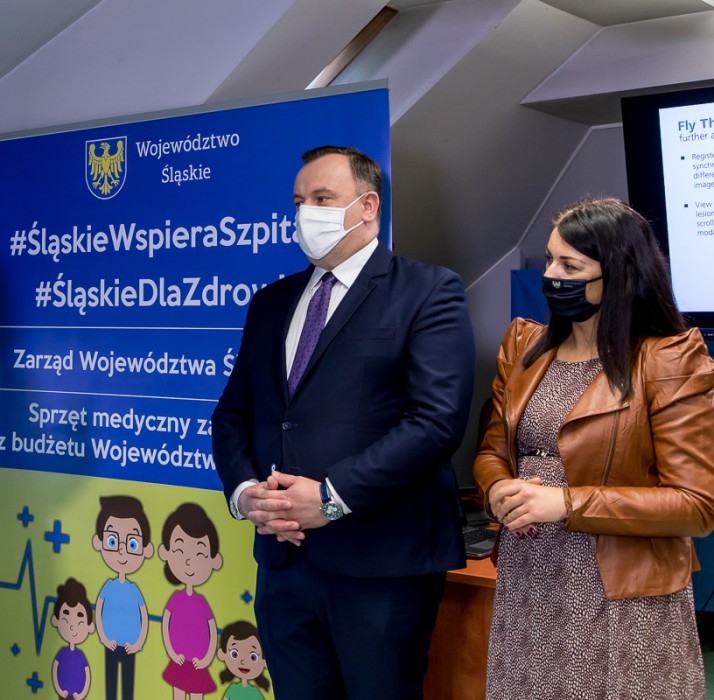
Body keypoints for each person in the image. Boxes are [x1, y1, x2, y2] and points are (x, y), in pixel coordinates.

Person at [211, 145, 475, 698]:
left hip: (382, 563)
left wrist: (331, 497)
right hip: (285, 562)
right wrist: (244, 493)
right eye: (299, 201)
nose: (306, 212)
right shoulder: (271, 302)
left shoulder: (428, 290)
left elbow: (436, 422)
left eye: (323, 198)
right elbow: (234, 412)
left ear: (368, 206)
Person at [474, 197, 714, 699]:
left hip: (623, 594)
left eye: (571, 266)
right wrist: (496, 489)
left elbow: (696, 506)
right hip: (531, 577)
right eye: (549, 260)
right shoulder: (523, 346)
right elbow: (492, 451)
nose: (551, 275)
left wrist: (567, 503)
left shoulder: (668, 359)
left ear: (619, 275)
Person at [158, 502, 222, 700]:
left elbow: (212, 630)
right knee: (178, 693)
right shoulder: (175, 599)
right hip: (179, 660)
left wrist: (206, 659)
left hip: (197, 662)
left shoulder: (202, 603)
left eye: (199, 553)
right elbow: (165, 624)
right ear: (166, 552)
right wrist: (171, 652)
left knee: (196, 694)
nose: (189, 561)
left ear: (214, 560)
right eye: (179, 550)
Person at [92, 495, 153, 700]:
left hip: (129, 646)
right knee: (110, 686)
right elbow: (98, 610)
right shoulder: (108, 587)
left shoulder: (134, 590)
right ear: (99, 542)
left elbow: (144, 617)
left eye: (132, 544)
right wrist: (104, 638)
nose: (121, 549)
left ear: (145, 549)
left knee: (128, 688)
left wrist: (137, 643)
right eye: (112, 541)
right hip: (110, 643)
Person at [50, 577, 95, 700]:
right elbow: (55, 669)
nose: (72, 626)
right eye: (66, 615)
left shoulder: (80, 655)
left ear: (89, 626)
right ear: (56, 620)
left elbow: (87, 674)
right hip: (64, 694)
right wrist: (60, 690)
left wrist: (82, 694)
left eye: (80, 617)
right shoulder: (62, 653)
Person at [216, 620, 269, 700]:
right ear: (222, 654)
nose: (243, 661)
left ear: (264, 662)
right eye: (234, 654)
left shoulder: (255, 692)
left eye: (253, 657)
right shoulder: (233, 689)